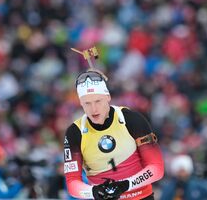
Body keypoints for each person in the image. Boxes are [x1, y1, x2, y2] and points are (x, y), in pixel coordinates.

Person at [63, 69, 164, 199]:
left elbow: (157, 168)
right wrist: (93, 192)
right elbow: (72, 183)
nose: (93, 109)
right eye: (87, 103)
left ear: (108, 97)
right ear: (81, 103)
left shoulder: (131, 119)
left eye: (98, 101)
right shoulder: (75, 132)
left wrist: (126, 185)